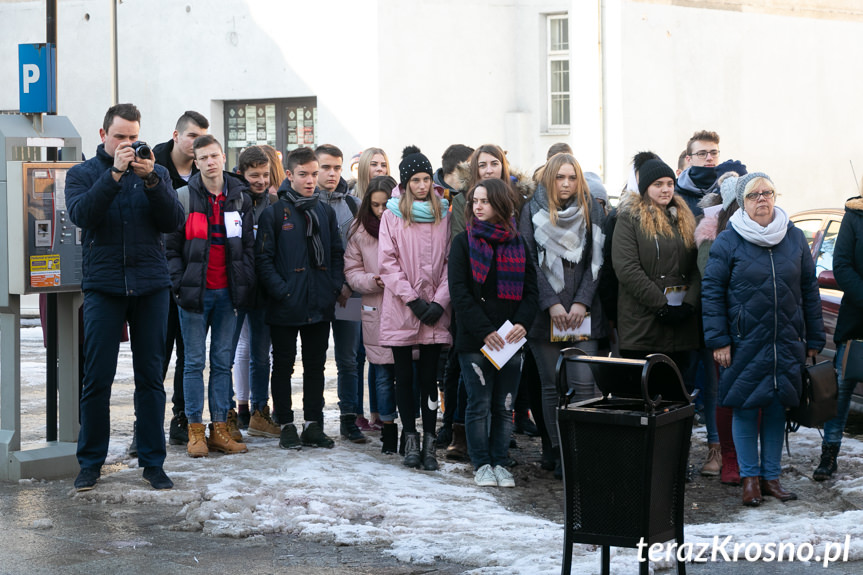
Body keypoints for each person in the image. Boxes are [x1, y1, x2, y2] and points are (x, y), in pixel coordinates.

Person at [66, 103, 184, 491]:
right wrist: (115, 173)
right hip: (103, 286)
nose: (129, 144)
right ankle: (90, 463)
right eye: (120, 137)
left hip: (151, 286)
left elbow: (172, 222)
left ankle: (153, 463)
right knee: (96, 379)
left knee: (151, 379)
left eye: (134, 137)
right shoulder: (82, 174)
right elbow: (83, 215)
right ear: (103, 136)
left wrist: (152, 182)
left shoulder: (157, 172)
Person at [702, 172, 825, 506]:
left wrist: (813, 336)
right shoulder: (729, 240)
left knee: (776, 408)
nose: (762, 199)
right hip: (744, 340)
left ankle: (772, 478)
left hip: (785, 340)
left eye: (767, 192)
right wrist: (719, 340)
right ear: (742, 201)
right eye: (754, 194)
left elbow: (808, 290)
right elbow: (711, 292)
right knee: (744, 407)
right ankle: (750, 479)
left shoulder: (794, 237)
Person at [167, 135, 255, 457]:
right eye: (202, 158)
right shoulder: (183, 198)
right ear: (196, 162)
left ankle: (219, 428)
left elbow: (247, 248)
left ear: (222, 156)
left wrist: (242, 284)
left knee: (222, 363)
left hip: (228, 296)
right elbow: (171, 248)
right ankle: (194, 430)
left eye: (214, 155)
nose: (209, 162)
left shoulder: (240, 199)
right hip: (194, 296)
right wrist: (179, 284)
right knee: (193, 363)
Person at [519, 152, 606, 479]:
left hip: (585, 313)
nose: (567, 183)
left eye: (572, 177)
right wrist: (552, 304)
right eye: (560, 177)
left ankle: (583, 452)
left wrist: (581, 302)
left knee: (584, 386)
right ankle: (559, 454)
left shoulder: (592, 208)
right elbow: (529, 262)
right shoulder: (531, 210)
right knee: (552, 387)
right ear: (550, 179)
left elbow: (597, 263)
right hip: (546, 316)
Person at [449, 178, 538, 487]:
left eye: (485, 201)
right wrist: (485, 330)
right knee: (479, 402)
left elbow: (531, 292)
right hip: (476, 339)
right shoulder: (463, 242)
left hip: (510, 339)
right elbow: (460, 294)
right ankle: (481, 463)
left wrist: (522, 324)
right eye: (475, 200)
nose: (478, 206)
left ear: (500, 203)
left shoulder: (519, 243)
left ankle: (500, 461)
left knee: (505, 404)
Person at [255, 146, 343, 451]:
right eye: (303, 174)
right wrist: (283, 291)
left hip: (319, 302)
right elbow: (263, 261)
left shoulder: (325, 211)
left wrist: (332, 286)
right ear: (289, 175)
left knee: (316, 365)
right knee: (282, 366)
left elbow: (335, 254)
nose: (310, 180)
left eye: (314, 174)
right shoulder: (274, 213)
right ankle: (287, 424)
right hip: (285, 304)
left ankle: (312, 424)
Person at [378, 145, 452, 470]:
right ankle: (409, 437)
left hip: (435, 310)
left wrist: (439, 301)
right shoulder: (392, 216)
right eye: (416, 180)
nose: (422, 185)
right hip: (403, 308)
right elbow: (387, 264)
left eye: (426, 179)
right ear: (405, 183)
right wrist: (413, 300)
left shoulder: (444, 214)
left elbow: (451, 262)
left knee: (429, 381)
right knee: (403, 378)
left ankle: (430, 442)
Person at [152, 110, 210, 448]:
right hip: (159, 276)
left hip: (193, 280)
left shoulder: (206, 169)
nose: (196, 143)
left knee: (190, 355)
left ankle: (180, 419)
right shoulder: (154, 164)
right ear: (176, 135)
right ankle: (144, 424)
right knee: (157, 355)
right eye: (191, 136)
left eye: (202, 137)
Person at [612, 158, 700, 375]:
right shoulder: (629, 218)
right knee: (647, 400)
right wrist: (661, 305)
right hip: (643, 327)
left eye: (670, 183)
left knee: (678, 401)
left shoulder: (685, 217)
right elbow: (627, 268)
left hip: (682, 326)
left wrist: (688, 304)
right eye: (658, 184)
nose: (665, 189)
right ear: (646, 188)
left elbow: (698, 266)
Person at [693, 162, 747, 484]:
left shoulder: (766, 227)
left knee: (754, 396)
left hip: (756, 327)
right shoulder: (711, 233)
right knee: (722, 393)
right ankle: (726, 454)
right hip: (726, 327)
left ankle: (749, 460)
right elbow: (711, 286)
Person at [315, 144, 367, 444]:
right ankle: (316, 418)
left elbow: (362, 251)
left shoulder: (353, 205)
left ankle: (349, 418)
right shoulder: (306, 202)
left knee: (348, 357)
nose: (332, 173)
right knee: (316, 358)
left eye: (336, 167)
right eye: (326, 167)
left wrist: (349, 285)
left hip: (350, 294)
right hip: (319, 295)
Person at [344, 175, 399, 452]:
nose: (380, 211)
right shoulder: (360, 230)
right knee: (380, 370)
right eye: (375, 206)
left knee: (407, 369)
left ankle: (407, 428)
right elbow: (351, 271)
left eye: (385, 205)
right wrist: (371, 280)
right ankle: (387, 428)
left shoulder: (405, 224)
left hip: (404, 305)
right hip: (374, 304)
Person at [813, 193, 863, 480]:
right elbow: (842, 265)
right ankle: (829, 455)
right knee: (842, 390)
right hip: (857, 321)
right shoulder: (854, 216)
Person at [231, 146, 280, 436]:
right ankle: (233, 411)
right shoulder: (232, 201)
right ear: (241, 174)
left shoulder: (274, 203)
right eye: (254, 175)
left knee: (262, 353)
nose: (260, 180)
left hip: (264, 289)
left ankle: (261, 410)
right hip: (236, 288)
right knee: (230, 351)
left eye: (264, 174)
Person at [431, 143, 474, 449]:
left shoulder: (479, 197)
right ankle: (451, 424)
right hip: (454, 287)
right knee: (453, 362)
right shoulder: (448, 200)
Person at [675, 130, 721, 218]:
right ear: (689, 160)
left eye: (714, 153)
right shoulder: (674, 195)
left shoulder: (728, 190)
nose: (709, 158)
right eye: (702, 154)